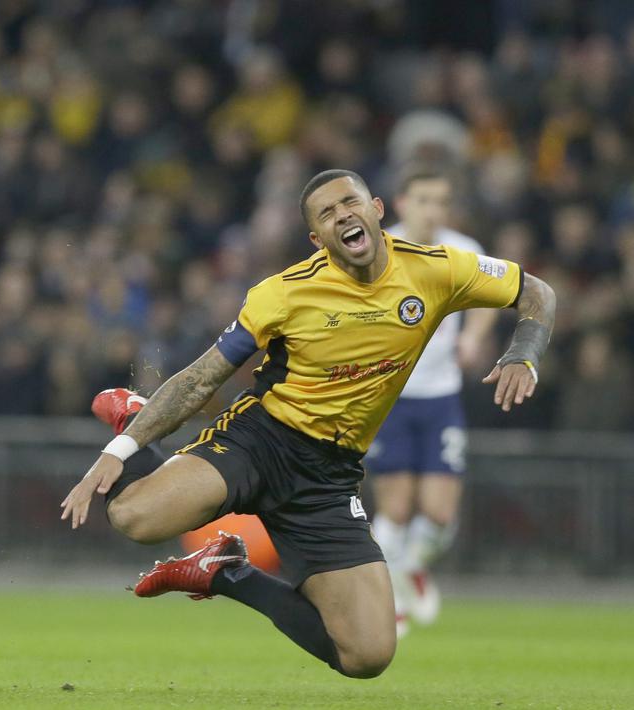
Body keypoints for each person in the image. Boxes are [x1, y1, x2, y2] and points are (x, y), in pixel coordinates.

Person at [62, 169, 554, 678]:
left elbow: (537, 292)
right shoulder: (285, 292)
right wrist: (121, 449)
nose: (343, 214)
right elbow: (203, 378)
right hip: (260, 442)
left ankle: (228, 574)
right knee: (132, 518)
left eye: (350, 202)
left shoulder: (438, 269)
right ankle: (138, 419)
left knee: (367, 656)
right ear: (318, 240)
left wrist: (524, 352)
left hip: (329, 477)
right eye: (327, 212)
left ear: (378, 210)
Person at [366, 166, 497, 637]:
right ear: (400, 203)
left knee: (440, 515)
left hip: (441, 395)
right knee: (396, 509)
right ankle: (388, 602)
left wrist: (473, 338)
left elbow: (488, 299)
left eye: (440, 201)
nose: (432, 210)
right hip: (390, 397)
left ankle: (408, 572)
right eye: (423, 199)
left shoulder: (466, 251)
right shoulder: (381, 249)